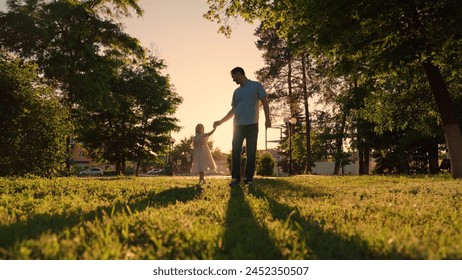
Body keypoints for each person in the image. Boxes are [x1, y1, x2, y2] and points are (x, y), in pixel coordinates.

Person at [213, 67, 271, 187]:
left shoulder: (256, 86)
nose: (233, 80)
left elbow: (264, 101)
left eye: (233, 77)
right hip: (238, 126)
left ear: (238, 74)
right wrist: (221, 121)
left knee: (251, 153)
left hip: (252, 125)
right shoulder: (236, 92)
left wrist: (267, 119)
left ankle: (249, 179)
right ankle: (235, 178)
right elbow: (233, 110)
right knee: (235, 152)